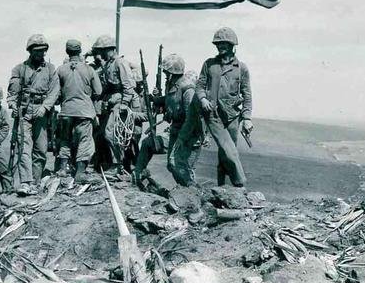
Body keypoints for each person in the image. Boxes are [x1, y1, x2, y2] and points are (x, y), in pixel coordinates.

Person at [195, 27, 253, 187]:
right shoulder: (209, 64)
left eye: (224, 44)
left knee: (225, 153)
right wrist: (203, 99)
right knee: (230, 151)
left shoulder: (242, 68)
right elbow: (199, 85)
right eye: (218, 44)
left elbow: (247, 94)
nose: (221, 47)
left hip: (233, 117)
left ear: (232, 45)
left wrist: (247, 118)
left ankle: (221, 188)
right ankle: (240, 185)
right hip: (213, 115)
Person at [133, 54, 200, 187]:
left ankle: (192, 192)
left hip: (189, 135)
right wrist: (155, 99)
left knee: (176, 164)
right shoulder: (172, 84)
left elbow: (191, 119)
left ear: (172, 72)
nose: (164, 73)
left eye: (166, 71)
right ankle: (137, 175)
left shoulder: (188, 89)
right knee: (148, 144)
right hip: (175, 130)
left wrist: (182, 138)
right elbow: (169, 100)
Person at [7, 34, 60, 195]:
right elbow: (12, 93)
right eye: (37, 51)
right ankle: (26, 182)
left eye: (43, 51)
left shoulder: (50, 69)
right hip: (24, 111)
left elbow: (54, 91)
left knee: (41, 148)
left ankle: (36, 181)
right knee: (24, 147)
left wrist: (44, 107)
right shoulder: (19, 69)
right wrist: (12, 104)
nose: (41, 54)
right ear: (30, 51)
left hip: (42, 112)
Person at [51, 40, 102, 182]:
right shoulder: (89, 69)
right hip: (84, 112)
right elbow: (98, 91)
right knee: (84, 140)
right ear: (80, 51)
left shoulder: (60, 70)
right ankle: (80, 173)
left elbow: (56, 93)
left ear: (67, 52)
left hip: (66, 111)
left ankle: (62, 169)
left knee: (65, 139)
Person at [93, 35, 139, 176]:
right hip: (111, 102)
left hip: (120, 103)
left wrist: (125, 103)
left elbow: (129, 85)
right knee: (102, 134)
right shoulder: (108, 64)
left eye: (102, 50)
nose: (100, 53)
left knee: (111, 133)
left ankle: (117, 165)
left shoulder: (120, 63)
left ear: (110, 49)